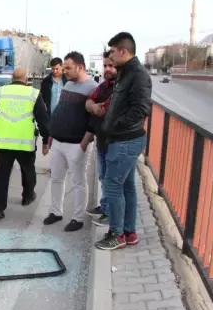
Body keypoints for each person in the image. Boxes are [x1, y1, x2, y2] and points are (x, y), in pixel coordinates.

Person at [95, 32, 152, 250]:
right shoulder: (126, 73)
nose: (110, 56)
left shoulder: (138, 75)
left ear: (122, 51)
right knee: (126, 187)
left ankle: (117, 234)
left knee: (112, 186)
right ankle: (129, 232)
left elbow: (140, 109)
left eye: (112, 51)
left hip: (125, 140)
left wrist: (115, 126)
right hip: (121, 140)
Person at [0, 68, 50, 219]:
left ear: (12, 78)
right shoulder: (33, 94)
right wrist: (46, 140)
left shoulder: (0, 92)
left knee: (1, 176)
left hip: (3, 143)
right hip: (25, 143)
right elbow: (43, 120)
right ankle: (28, 196)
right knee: (28, 171)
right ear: (26, 79)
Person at [44, 52, 99, 232]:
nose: (64, 71)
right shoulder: (68, 84)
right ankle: (55, 212)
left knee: (78, 181)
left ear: (80, 67)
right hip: (58, 140)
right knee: (56, 178)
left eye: (68, 68)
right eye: (64, 68)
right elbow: (60, 110)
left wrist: (84, 144)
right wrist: (52, 133)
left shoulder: (92, 88)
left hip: (77, 143)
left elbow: (94, 120)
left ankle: (77, 218)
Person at [85, 51, 117, 227]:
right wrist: (92, 105)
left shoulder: (119, 87)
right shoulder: (104, 86)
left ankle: (110, 213)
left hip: (114, 142)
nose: (107, 69)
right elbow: (89, 102)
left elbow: (100, 110)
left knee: (112, 180)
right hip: (102, 140)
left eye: (111, 65)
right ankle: (105, 207)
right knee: (103, 177)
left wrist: (94, 107)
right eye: (105, 65)